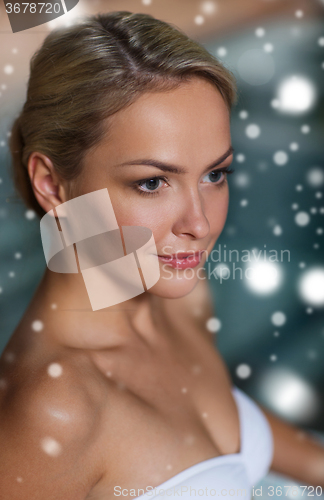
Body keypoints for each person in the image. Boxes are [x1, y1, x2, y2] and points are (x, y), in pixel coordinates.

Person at [0, 11, 323, 500]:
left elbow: (226, 431)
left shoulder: (179, 297)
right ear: (51, 184)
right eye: (152, 182)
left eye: (215, 174)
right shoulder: (56, 411)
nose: (199, 223)